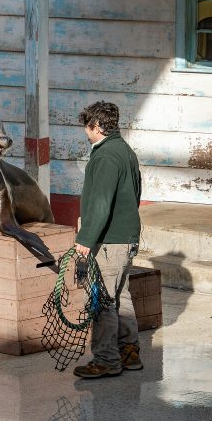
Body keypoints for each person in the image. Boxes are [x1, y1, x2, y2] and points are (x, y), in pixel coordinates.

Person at [73, 101, 143, 379]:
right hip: (126, 236)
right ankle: (129, 353)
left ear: (97, 126)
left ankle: (106, 360)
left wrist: (86, 237)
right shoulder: (125, 151)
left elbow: (101, 203)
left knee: (102, 301)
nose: (86, 132)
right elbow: (135, 192)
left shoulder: (104, 156)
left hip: (110, 241)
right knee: (121, 297)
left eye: (87, 127)